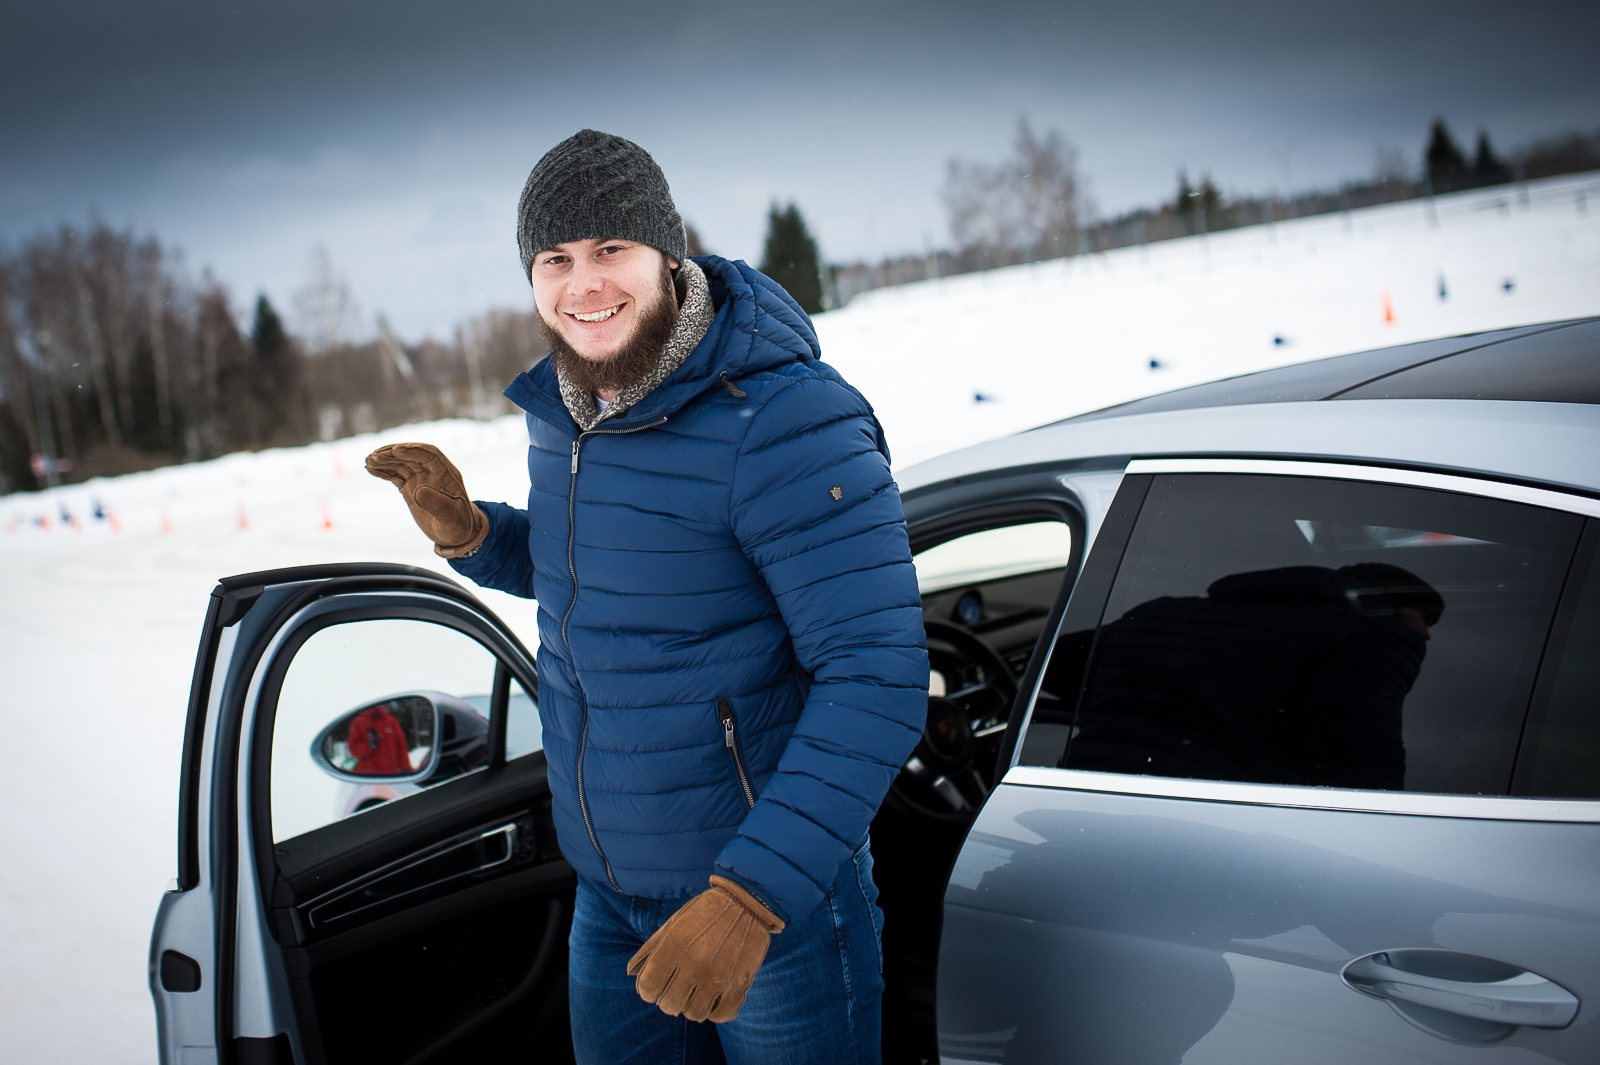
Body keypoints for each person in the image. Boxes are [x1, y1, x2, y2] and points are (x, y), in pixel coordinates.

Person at [365, 129, 928, 1065]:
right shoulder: (570, 411)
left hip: (765, 907)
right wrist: (475, 533)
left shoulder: (788, 418)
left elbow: (877, 675)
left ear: (668, 254)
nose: (583, 284)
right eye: (556, 258)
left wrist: (752, 897)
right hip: (609, 893)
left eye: (609, 250)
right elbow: (607, 581)